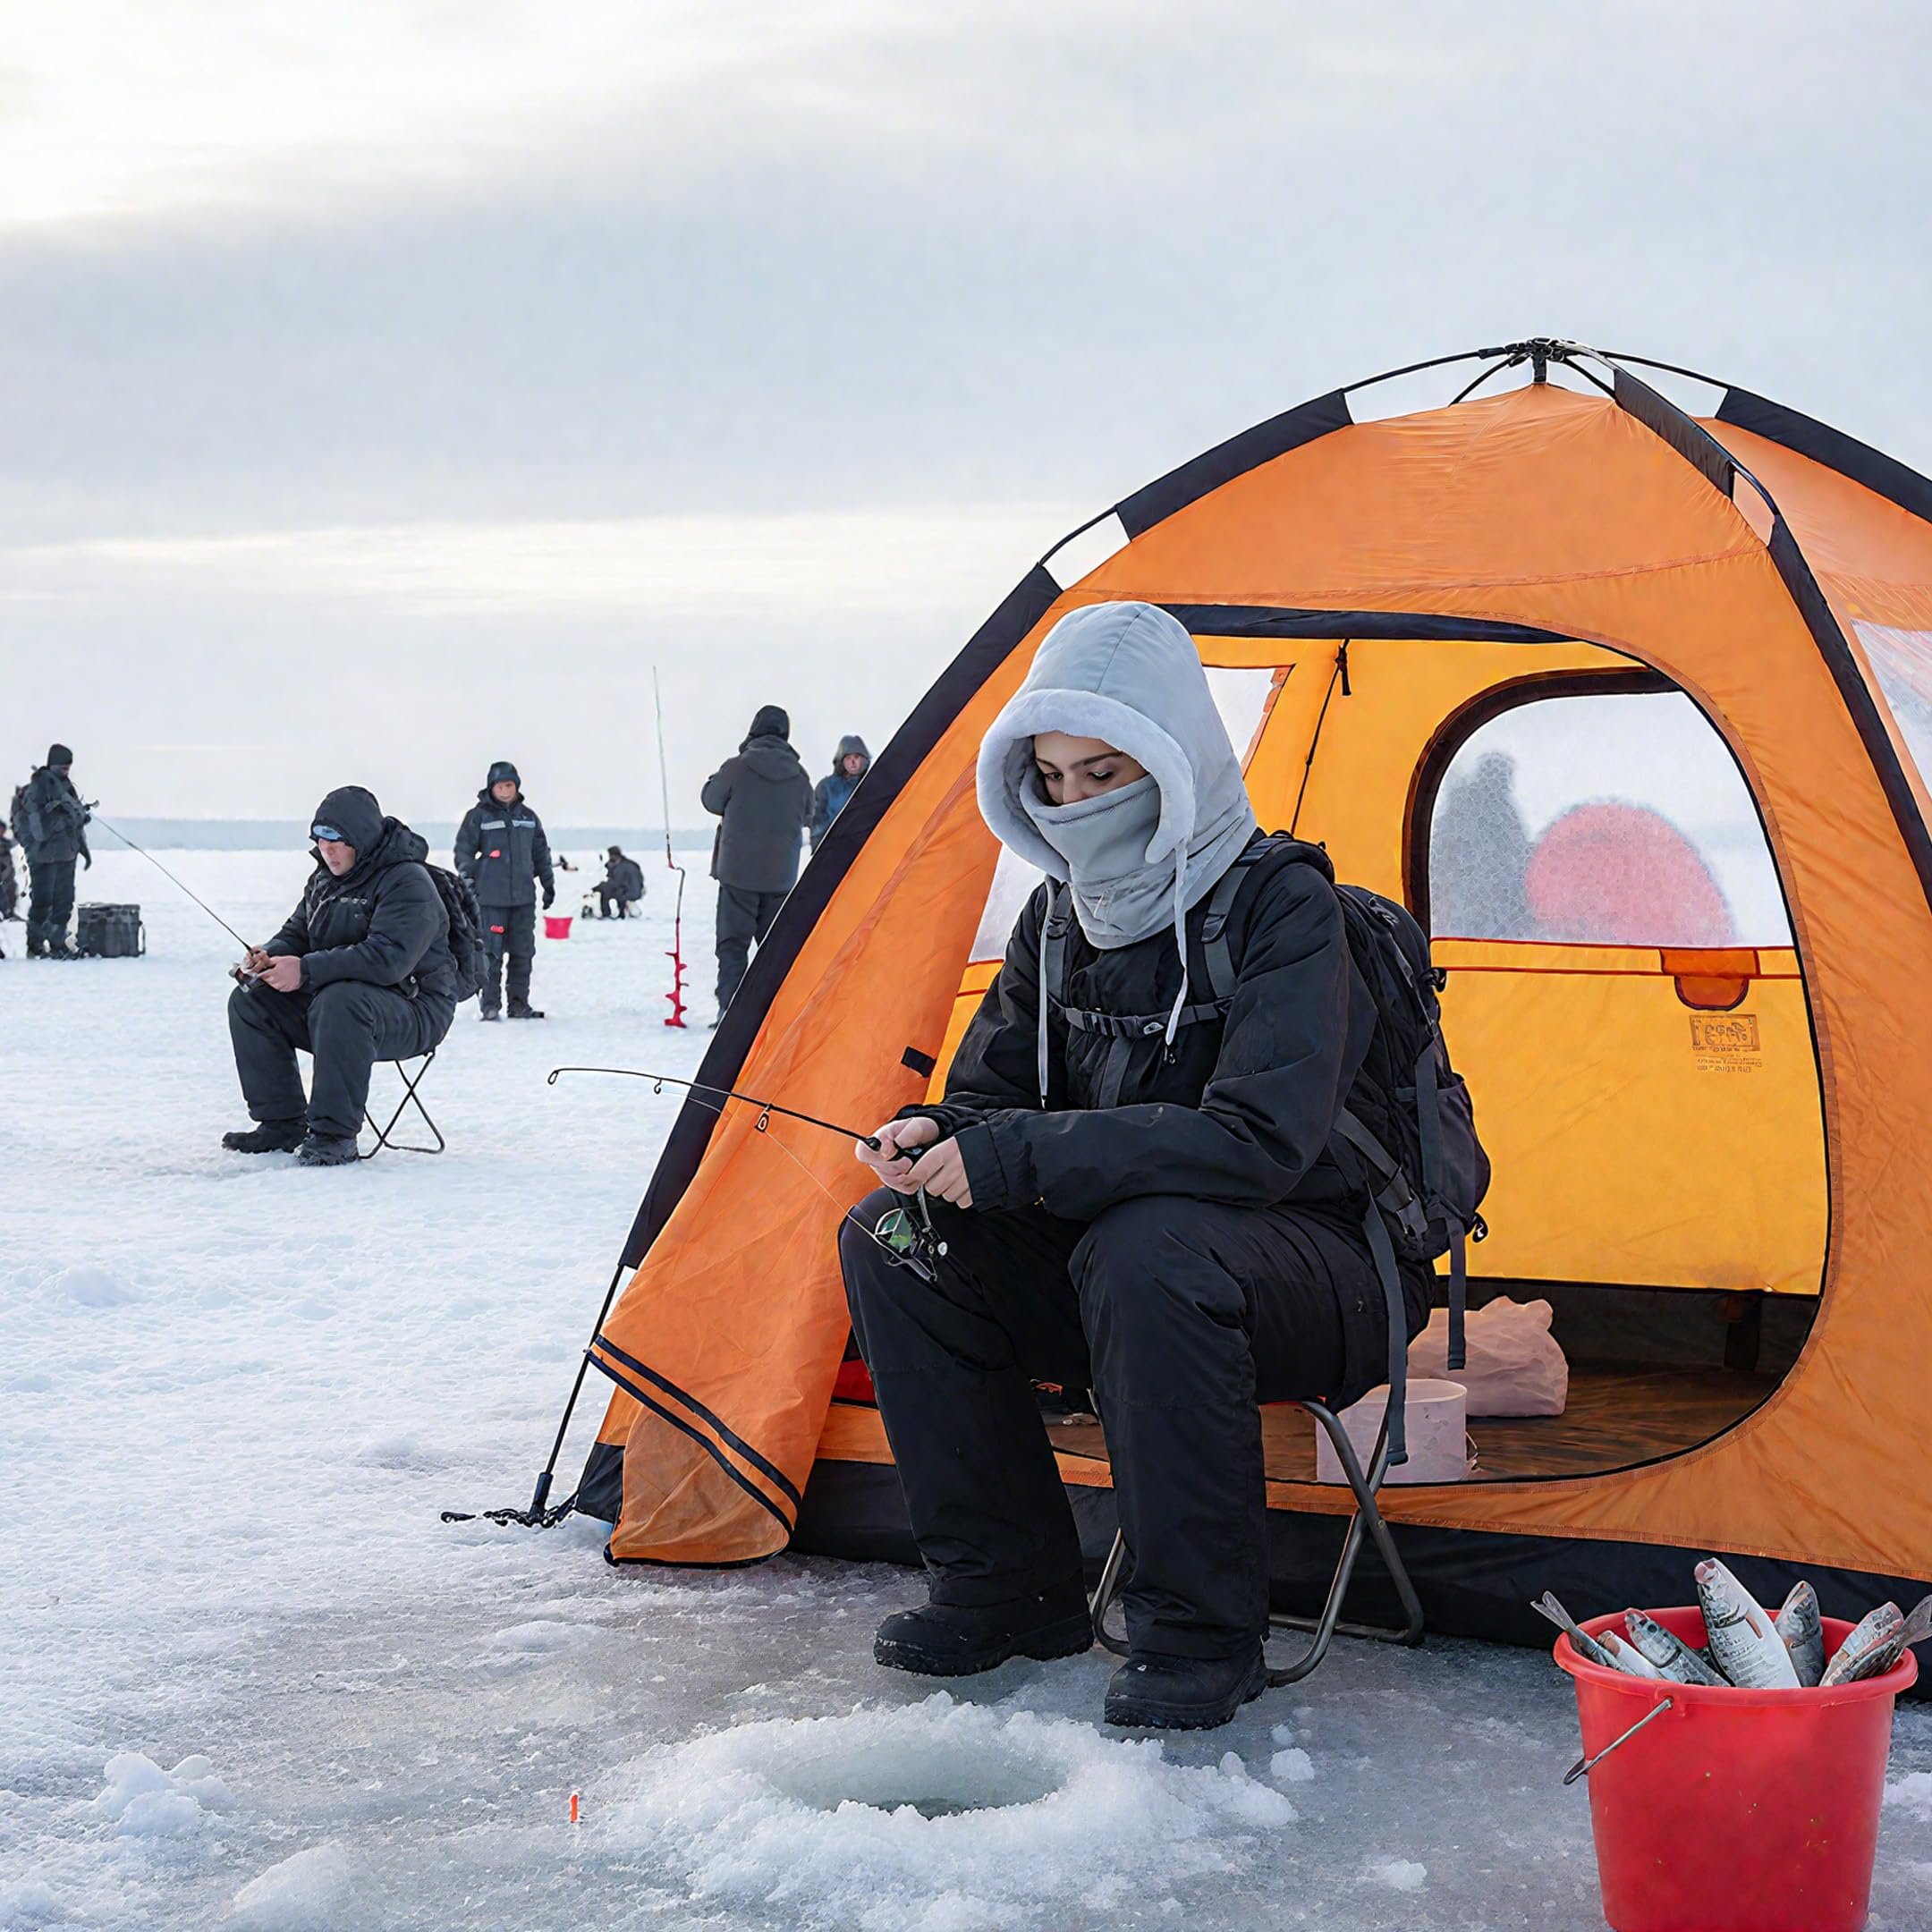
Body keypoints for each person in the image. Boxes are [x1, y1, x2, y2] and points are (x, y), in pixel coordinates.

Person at [839, 601, 1430, 1732]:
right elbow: (994, 1099)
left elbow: (1259, 1140)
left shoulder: (1280, 907)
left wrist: (1017, 1155)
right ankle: (1009, 1591)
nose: (1074, 802)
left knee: (1147, 1243)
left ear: (1176, 758)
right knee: (895, 1238)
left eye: (1104, 770)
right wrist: (936, 1136)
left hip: (1324, 1275)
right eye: (1052, 777)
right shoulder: (1058, 921)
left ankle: (1201, 1632)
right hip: (1125, 1278)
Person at [224, 786, 459, 1166]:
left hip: (416, 1009)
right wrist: (270, 957)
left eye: (336, 842)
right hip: (340, 1005)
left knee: (341, 1002)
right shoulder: (323, 879)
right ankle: (282, 1123)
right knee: (251, 999)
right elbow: (298, 933)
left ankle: (334, 1135)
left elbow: (387, 959)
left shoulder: (407, 881)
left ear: (361, 840)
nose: (327, 850)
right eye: (320, 840)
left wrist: (305, 970)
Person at [701, 705, 811, 1017]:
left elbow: (711, 800)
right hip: (780, 879)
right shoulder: (800, 776)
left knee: (733, 946)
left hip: (737, 875)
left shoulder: (736, 767)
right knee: (773, 950)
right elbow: (808, 815)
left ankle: (730, 1013)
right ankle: (771, 1016)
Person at [454, 760, 555, 1021]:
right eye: (500, 785)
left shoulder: (528, 818)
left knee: (523, 953)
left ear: (516, 786)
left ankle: (519, 1004)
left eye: (509, 785)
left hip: (523, 899)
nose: (505, 790)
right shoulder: (478, 817)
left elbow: (541, 853)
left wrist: (548, 884)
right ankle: (490, 1005)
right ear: (492, 787)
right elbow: (463, 851)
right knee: (491, 954)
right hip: (491, 901)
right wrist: (470, 878)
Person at [17, 743, 91, 959]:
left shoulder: (67, 788)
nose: (67, 771)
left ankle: (58, 942)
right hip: (43, 856)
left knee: (64, 901)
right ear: (52, 765)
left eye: (69, 767)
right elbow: (36, 826)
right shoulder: (38, 788)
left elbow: (75, 823)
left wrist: (84, 848)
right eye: (63, 767)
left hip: (66, 854)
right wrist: (54, 815)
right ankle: (36, 944)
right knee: (43, 901)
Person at [809, 734, 872, 852]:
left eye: (856, 757)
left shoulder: (871, 785)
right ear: (841, 760)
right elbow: (815, 822)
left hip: (863, 851)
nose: (853, 762)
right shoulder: (826, 787)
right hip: (832, 850)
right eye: (848, 758)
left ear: (864, 759)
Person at [597, 845, 645, 918]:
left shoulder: (621, 867)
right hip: (637, 890)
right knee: (617, 890)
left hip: (629, 892)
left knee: (606, 892)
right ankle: (623, 912)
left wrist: (600, 887)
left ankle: (607, 914)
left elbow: (615, 883)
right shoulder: (628, 863)